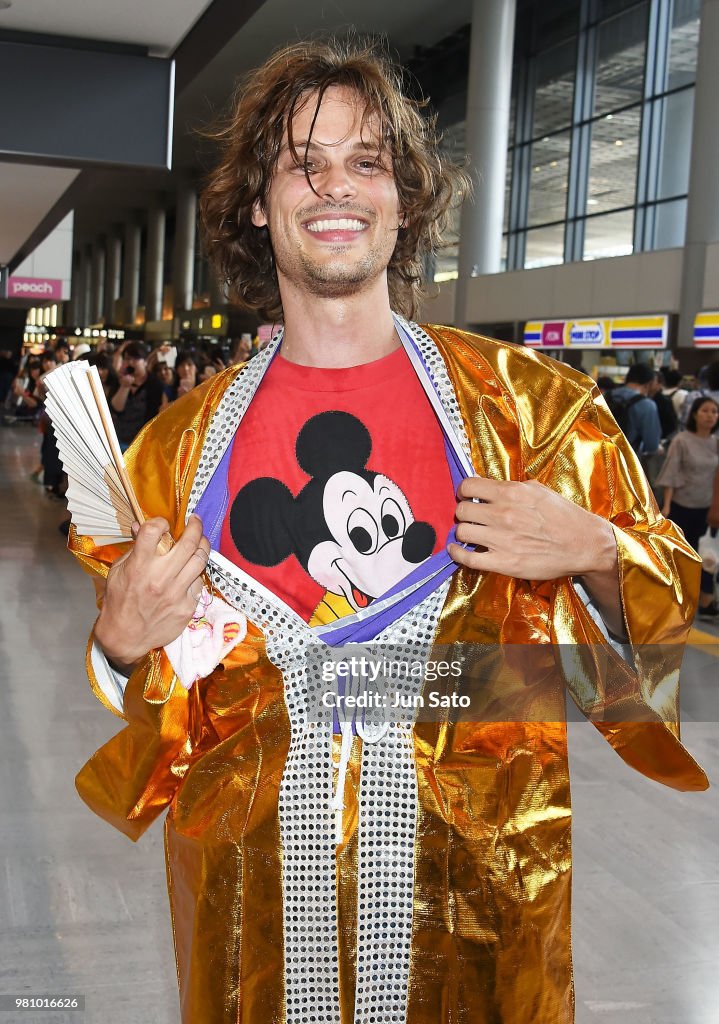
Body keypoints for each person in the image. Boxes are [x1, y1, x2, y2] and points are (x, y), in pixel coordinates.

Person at [68, 39, 707, 1024]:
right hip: (253, 928)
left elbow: (659, 620)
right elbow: (148, 702)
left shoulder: (528, 413)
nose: (336, 187)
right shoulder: (175, 452)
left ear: (402, 199)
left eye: (366, 162)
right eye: (303, 162)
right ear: (254, 201)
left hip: (480, 918)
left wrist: (593, 548)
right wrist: (116, 645)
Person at [658, 396, 719, 617]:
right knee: (682, 556)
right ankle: (674, 599)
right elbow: (672, 473)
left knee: (707, 554)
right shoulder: (682, 440)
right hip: (682, 506)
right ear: (694, 414)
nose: (710, 415)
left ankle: (705, 601)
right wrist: (666, 506)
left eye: (714, 411)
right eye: (705, 411)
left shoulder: (716, 442)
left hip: (707, 508)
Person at [109, 341, 164, 450]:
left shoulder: (154, 383)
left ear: (144, 361)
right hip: (118, 441)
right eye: (127, 359)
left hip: (143, 442)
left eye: (135, 359)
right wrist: (124, 387)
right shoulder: (119, 381)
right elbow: (116, 409)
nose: (130, 362)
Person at [604, 363, 662, 454]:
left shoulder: (606, 396)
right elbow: (651, 445)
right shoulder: (647, 405)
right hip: (627, 461)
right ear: (648, 384)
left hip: (599, 457)